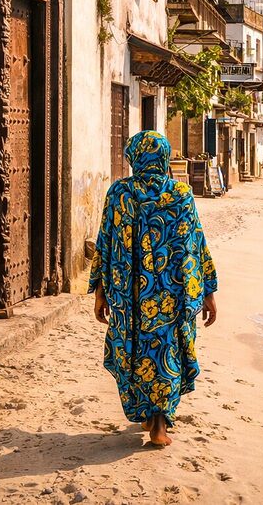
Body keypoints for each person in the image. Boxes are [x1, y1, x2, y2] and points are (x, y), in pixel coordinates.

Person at [90, 131, 218, 447]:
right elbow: (196, 246)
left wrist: (100, 292)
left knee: (135, 350)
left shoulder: (120, 194)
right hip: (174, 294)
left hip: (129, 296)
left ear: (133, 158)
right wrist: (209, 293)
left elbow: (105, 244)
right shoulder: (181, 194)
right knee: (167, 351)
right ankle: (159, 423)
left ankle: (149, 414)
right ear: (163, 158)